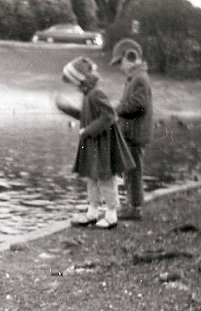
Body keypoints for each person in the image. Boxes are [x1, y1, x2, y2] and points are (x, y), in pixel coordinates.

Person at [56, 57, 135, 229]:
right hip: (92, 144)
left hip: (102, 144)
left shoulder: (96, 94)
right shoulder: (87, 96)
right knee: (91, 178)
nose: (73, 86)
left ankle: (111, 214)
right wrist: (68, 109)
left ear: (81, 80)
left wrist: (88, 130)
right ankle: (92, 212)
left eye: (73, 82)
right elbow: (87, 115)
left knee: (104, 178)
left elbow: (110, 116)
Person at [110, 38, 153, 221]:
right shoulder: (135, 79)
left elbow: (138, 105)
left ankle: (135, 208)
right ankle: (132, 205)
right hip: (130, 133)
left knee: (133, 172)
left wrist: (117, 109)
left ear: (130, 56)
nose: (120, 67)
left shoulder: (139, 79)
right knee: (129, 171)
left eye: (121, 62)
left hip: (135, 134)